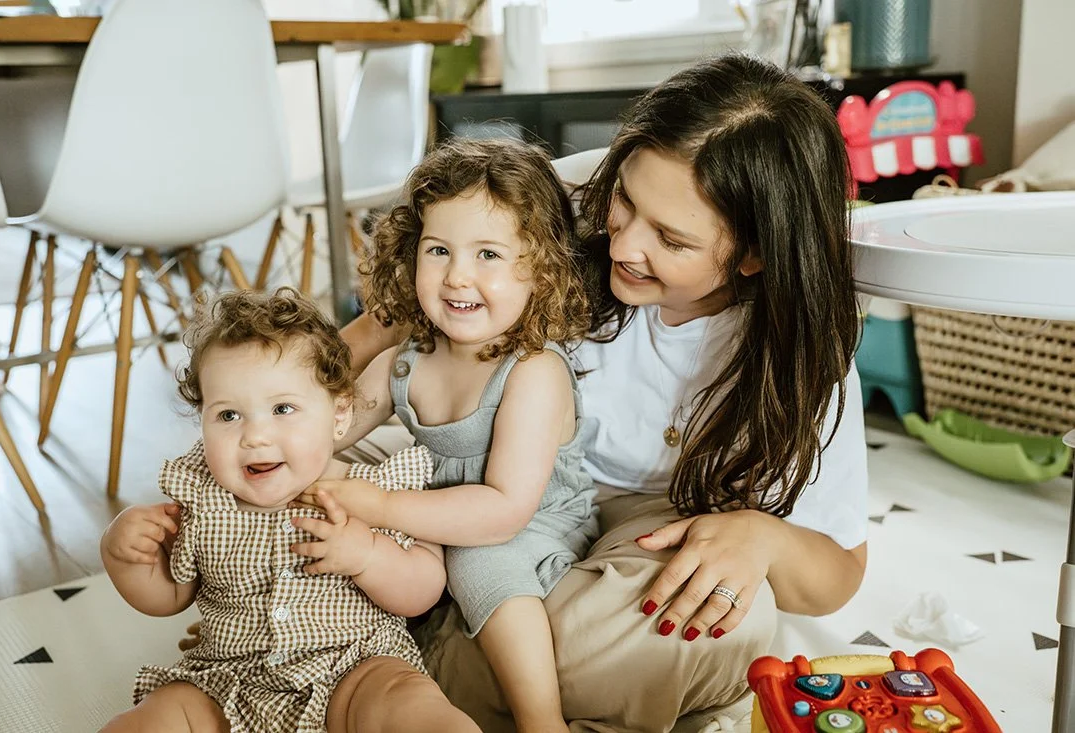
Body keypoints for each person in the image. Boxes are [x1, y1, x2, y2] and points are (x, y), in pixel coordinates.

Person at [331, 53, 869, 732]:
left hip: (626, 536)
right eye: (626, 202)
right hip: (460, 471)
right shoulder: (559, 199)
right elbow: (402, 308)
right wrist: (288, 402)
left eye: (669, 238)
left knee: (731, 616)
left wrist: (762, 537)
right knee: (296, 489)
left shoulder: (796, 355)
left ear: (754, 253)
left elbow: (841, 570)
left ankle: (397, 663)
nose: (622, 245)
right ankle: (421, 660)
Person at [292, 138, 600, 733]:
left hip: (529, 521)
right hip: (432, 510)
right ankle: (259, 616)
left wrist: (381, 505)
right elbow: (330, 428)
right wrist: (287, 453)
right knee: (320, 507)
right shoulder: (413, 355)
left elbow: (504, 511)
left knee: (482, 563)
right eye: (438, 250)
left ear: (540, 268)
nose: (457, 275)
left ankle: (543, 721)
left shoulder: (534, 370)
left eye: (488, 253)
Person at [100, 288, 479, 733]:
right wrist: (125, 557)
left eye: (282, 408)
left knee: (407, 704)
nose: (255, 436)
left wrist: (367, 556)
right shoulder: (203, 500)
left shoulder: (372, 494)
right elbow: (171, 596)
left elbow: (424, 589)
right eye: (227, 416)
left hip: (352, 672)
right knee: (155, 718)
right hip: (228, 684)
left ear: (338, 415)